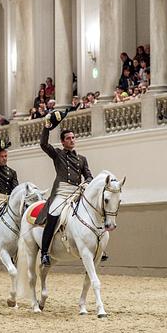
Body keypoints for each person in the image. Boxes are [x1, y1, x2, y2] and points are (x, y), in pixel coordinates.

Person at [39, 110, 93, 266]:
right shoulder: (57, 154)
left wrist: (87, 182)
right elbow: (43, 144)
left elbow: (89, 175)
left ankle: (97, 247)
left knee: (92, 213)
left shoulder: (82, 159)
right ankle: (44, 252)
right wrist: (46, 128)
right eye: (68, 138)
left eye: (73, 138)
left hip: (77, 192)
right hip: (62, 193)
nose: (72, 140)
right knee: (54, 215)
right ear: (62, 142)